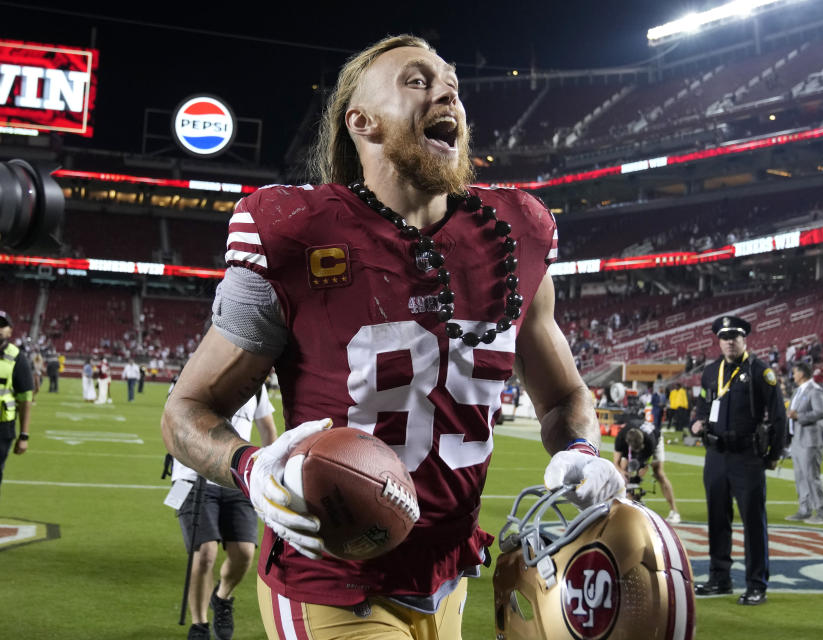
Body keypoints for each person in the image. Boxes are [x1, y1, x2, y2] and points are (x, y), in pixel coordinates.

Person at [162, 34, 624, 640]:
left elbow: (564, 398)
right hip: (331, 578)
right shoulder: (293, 230)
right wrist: (251, 468)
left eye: (452, 86)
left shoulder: (518, 231)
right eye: (417, 81)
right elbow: (185, 411)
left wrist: (581, 450)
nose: (447, 95)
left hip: (450, 576)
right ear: (363, 122)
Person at [690, 315, 786, 605]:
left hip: (747, 456)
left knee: (753, 523)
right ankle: (720, 578)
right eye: (724, 337)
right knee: (717, 519)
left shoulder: (760, 371)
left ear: (745, 340)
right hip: (716, 455)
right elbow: (703, 405)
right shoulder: (710, 372)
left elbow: (779, 415)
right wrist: (698, 421)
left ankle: (757, 584)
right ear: (718, 341)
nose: (729, 342)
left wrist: (773, 455)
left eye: (735, 337)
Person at [171, 384, 278, 640]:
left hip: (236, 479)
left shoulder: (255, 386)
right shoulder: (196, 374)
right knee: (205, 552)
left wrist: (269, 473)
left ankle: (222, 597)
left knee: (243, 554)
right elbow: (174, 421)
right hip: (194, 476)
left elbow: (268, 430)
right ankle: (199, 625)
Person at [612, 409, 682, 523]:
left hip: (656, 436)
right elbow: (615, 463)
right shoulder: (621, 438)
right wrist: (623, 474)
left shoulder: (649, 442)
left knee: (658, 473)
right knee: (623, 470)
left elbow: (644, 466)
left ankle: (674, 511)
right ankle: (630, 505)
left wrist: (634, 480)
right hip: (634, 438)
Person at [785, 361, 823, 524]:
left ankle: (822, 513)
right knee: (800, 477)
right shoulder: (798, 391)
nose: (793, 375)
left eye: (795, 372)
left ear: (802, 373)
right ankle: (804, 510)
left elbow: (821, 412)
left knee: (812, 477)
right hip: (797, 439)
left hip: (810, 440)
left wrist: (799, 417)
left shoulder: (815, 390)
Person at [0, 310, 34, 496]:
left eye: (2, 325)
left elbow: (25, 400)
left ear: (10, 331)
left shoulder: (17, 358)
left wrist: (24, 435)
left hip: (2, 426)